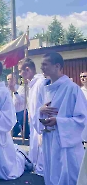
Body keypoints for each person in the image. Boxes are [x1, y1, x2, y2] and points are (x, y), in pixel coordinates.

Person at [36, 52, 87, 185]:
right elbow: (37, 110)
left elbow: (82, 118)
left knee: (67, 174)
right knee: (51, 172)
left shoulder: (72, 89)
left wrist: (59, 121)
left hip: (65, 141)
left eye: (45, 65)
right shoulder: (44, 88)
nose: (42, 68)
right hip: (49, 139)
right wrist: (40, 111)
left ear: (57, 66)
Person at [18, 58, 45, 176]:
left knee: (41, 149)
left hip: (41, 123)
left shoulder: (41, 83)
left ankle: (41, 168)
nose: (19, 74)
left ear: (27, 69)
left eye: (20, 71)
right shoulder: (32, 84)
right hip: (34, 122)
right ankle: (35, 164)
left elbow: (45, 104)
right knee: (34, 147)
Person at [7, 74, 30, 139]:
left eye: (11, 79)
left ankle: (23, 129)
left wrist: (15, 91)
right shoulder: (5, 90)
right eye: (8, 79)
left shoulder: (21, 88)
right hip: (12, 112)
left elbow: (22, 101)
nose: (9, 81)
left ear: (15, 80)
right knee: (13, 134)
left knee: (26, 135)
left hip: (21, 111)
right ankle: (17, 128)